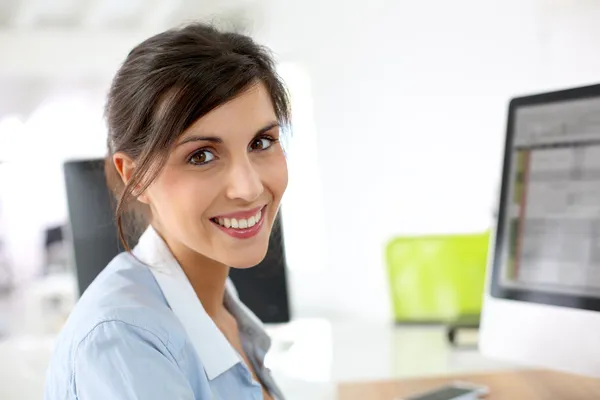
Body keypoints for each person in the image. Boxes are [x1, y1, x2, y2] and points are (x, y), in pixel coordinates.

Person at [44, 22, 290, 400]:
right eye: (201, 155)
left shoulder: (221, 310)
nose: (250, 188)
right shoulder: (124, 341)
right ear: (134, 177)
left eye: (262, 142)